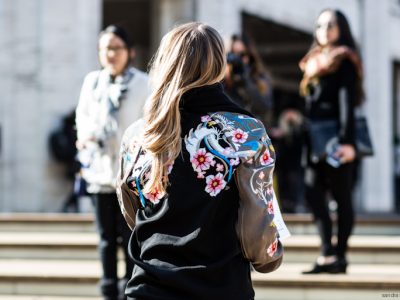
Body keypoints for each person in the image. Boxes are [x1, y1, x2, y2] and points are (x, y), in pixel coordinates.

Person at [116, 22, 284, 300]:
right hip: (221, 286)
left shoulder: (138, 134)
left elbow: (132, 212)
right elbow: (257, 221)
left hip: (148, 285)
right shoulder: (246, 133)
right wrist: (269, 258)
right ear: (219, 64)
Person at [75, 25, 150, 299]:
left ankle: (131, 290)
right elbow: (82, 117)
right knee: (106, 239)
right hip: (99, 172)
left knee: (132, 237)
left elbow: (150, 124)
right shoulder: (92, 82)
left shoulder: (144, 83)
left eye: (116, 47)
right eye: (105, 48)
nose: (110, 54)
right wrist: (85, 138)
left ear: (129, 52)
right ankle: (108, 289)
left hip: (131, 176)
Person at [299, 9, 364, 274]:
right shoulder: (312, 62)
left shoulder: (345, 60)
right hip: (313, 138)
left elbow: (347, 103)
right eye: (320, 25)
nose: (324, 30)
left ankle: (340, 255)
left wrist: (348, 143)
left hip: (336, 138)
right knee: (312, 192)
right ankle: (327, 252)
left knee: (341, 195)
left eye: (331, 25)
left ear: (341, 28)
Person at [224, 34, 273, 125]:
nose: (238, 59)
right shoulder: (223, 80)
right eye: (234, 54)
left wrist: (246, 79)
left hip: (253, 129)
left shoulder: (259, 77)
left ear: (250, 55)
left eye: (242, 54)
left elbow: (264, 106)